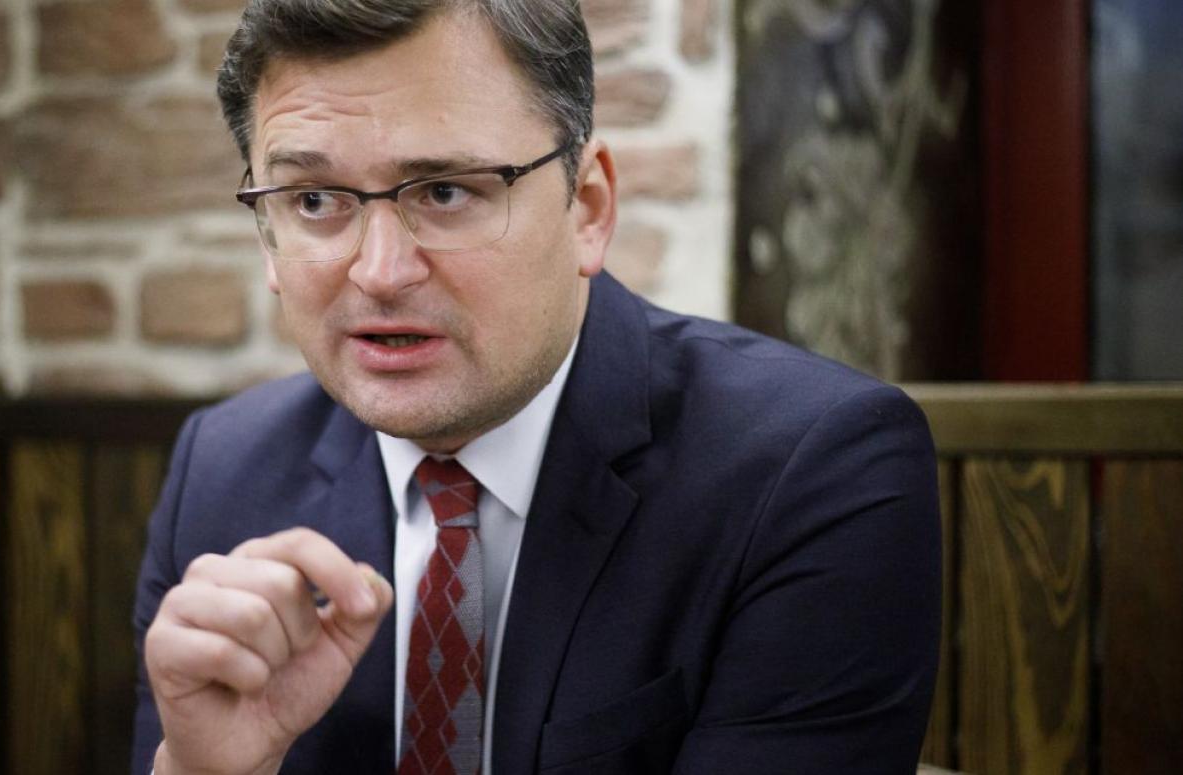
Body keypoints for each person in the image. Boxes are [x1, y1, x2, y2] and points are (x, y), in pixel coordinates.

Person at [132, 1, 941, 773]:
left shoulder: (814, 471)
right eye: (313, 200)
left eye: (445, 191)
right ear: (268, 239)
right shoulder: (223, 473)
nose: (379, 272)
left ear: (587, 208)